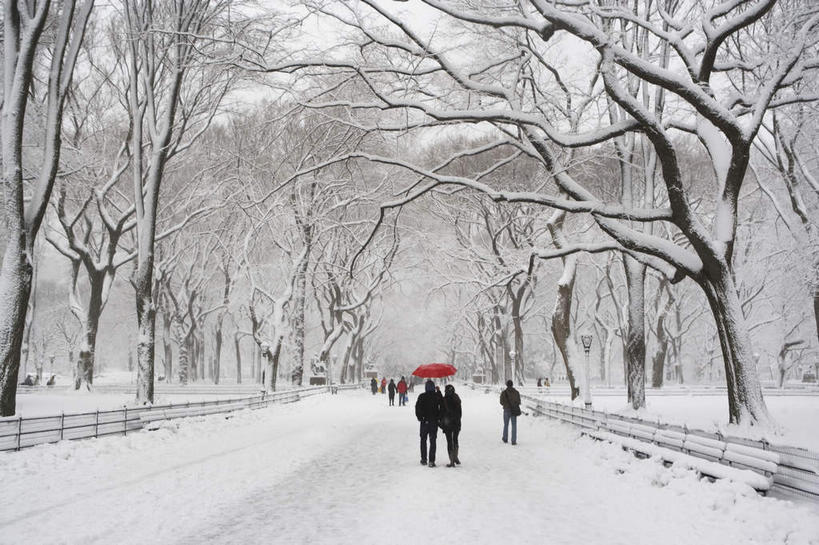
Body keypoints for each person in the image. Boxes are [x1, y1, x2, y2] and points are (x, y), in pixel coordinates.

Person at [415, 379, 442, 467]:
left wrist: (420, 418)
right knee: (433, 441)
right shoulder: (436, 396)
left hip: (424, 422)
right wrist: (439, 392)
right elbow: (442, 404)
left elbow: (417, 408)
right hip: (434, 422)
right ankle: (431, 461)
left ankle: (423, 459)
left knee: (423, 440)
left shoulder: (422, 396)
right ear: (433, 387)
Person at [440, 384, 462, 467]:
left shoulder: (444, 399)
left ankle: (452, 461)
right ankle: (456, 457)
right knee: (455, 439)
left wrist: (441, 422)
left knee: (449, 441)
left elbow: (441, 412)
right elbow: (460, 413)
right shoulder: (457, 398)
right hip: (457, 423)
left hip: (448, 423)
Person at [500, 379, 522, 445]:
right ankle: (513, 441)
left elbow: (501, 402)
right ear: (512, 385)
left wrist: (506, 405)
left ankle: (505, 438)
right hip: (514, 410)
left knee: (506, 425)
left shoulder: (504, 393)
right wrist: (514, 404)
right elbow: (519, 402)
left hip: (506, 410)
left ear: (507, 385)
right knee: (514, 425)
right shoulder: (516, 392)